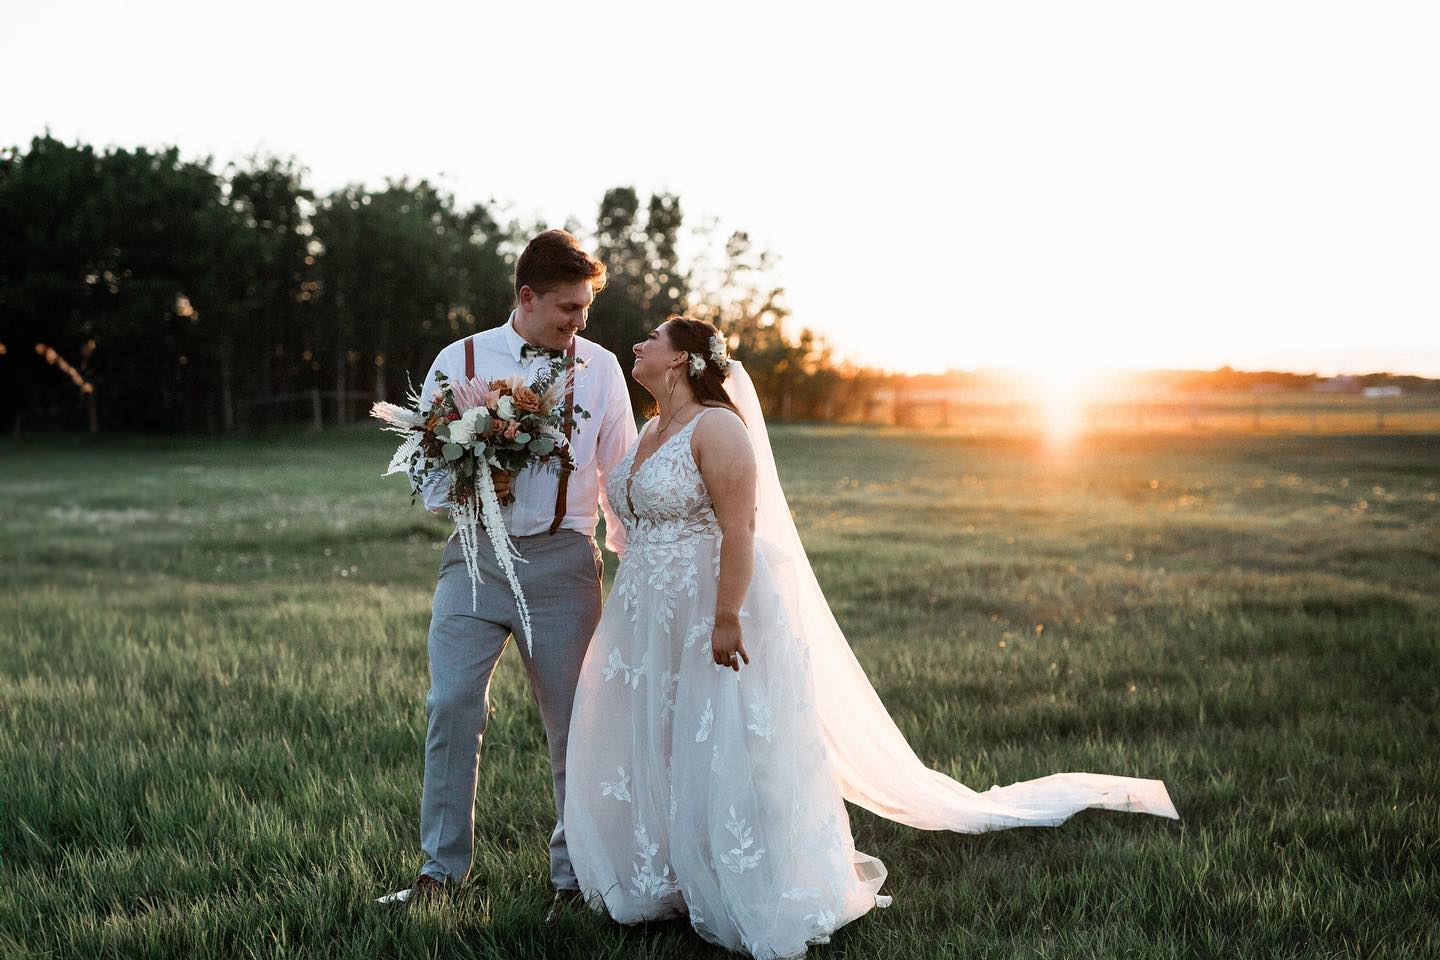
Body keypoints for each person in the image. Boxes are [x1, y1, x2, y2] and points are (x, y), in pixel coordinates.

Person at [563, 316, 1178, 958]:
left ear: (683, 359)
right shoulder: (654, 430)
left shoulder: (719, 429)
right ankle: (668, 875)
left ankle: (743, 880)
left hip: (709, 606)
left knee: (716, 737)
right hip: (650, 614)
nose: (638, 345)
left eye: (653, 339)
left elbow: (739, 530)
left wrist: (726, 616)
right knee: (660, 740)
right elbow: (634, 521)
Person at [378, 230, 637, 908]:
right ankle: (441, 874)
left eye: (584, 308)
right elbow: (426, 476)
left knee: (574, 724)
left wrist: (639, 556)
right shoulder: (458, 359)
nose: (580, 321)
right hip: (473, 560)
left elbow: (622, 469)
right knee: (451, 706)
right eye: (568, 308)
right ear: (527, 297)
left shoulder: (603, 368)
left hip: (562, 564)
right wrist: (470, 486)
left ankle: (574, 876)